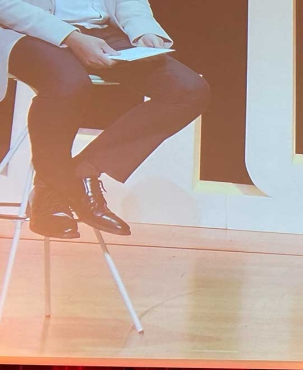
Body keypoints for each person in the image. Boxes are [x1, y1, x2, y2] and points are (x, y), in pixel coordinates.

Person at [0, 0, 210, 239]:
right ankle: (52, 191)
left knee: (188, 90)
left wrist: (144, 31)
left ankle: (77, 174)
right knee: (68, 84)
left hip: (101, 32)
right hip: (25, 31)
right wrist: (70, 36)